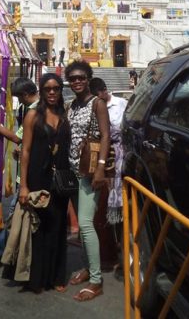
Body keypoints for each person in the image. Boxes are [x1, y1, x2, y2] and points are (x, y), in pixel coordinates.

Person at [15, 73, 70, 292]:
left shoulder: (65, 115)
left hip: (60, 178)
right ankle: (36, 276)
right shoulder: (32, 116)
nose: (52, 92)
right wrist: (23, 185)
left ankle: (56, 276)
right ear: (42, 90)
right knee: (38, 228)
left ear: (60, 89)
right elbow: (25, 151)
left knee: (57, 226)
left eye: (56, 88)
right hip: (39, 176)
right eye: (47, 89)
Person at [0, 77, 38, 267]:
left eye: (19, 98)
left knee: (16, 213)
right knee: (19, 213)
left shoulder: (34, 111)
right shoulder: (36, 109)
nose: (19, 102)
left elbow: (19, 139)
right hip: (29, 169)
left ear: (25, 95)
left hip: (29, 173)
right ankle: (5, 252)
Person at [65, 61, 110, 302]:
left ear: (88, 78)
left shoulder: (98, 103)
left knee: (85, 223)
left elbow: (105, 136)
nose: (76, 81)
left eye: (81, 77)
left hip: (91, 172)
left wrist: (101, 169)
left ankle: (96, 280)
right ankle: (86, 266)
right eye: (72, 78)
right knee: (81, 226)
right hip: (74, 170)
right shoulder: (72, 105)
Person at [89, 77, 127, 245]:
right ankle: (110, 238)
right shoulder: (95, 105)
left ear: (105, 90)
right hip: (103, 153)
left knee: (120, 191)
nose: (98, 99)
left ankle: (122, 232)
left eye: (99, 95)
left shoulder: (121, 104)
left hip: (120, 152)